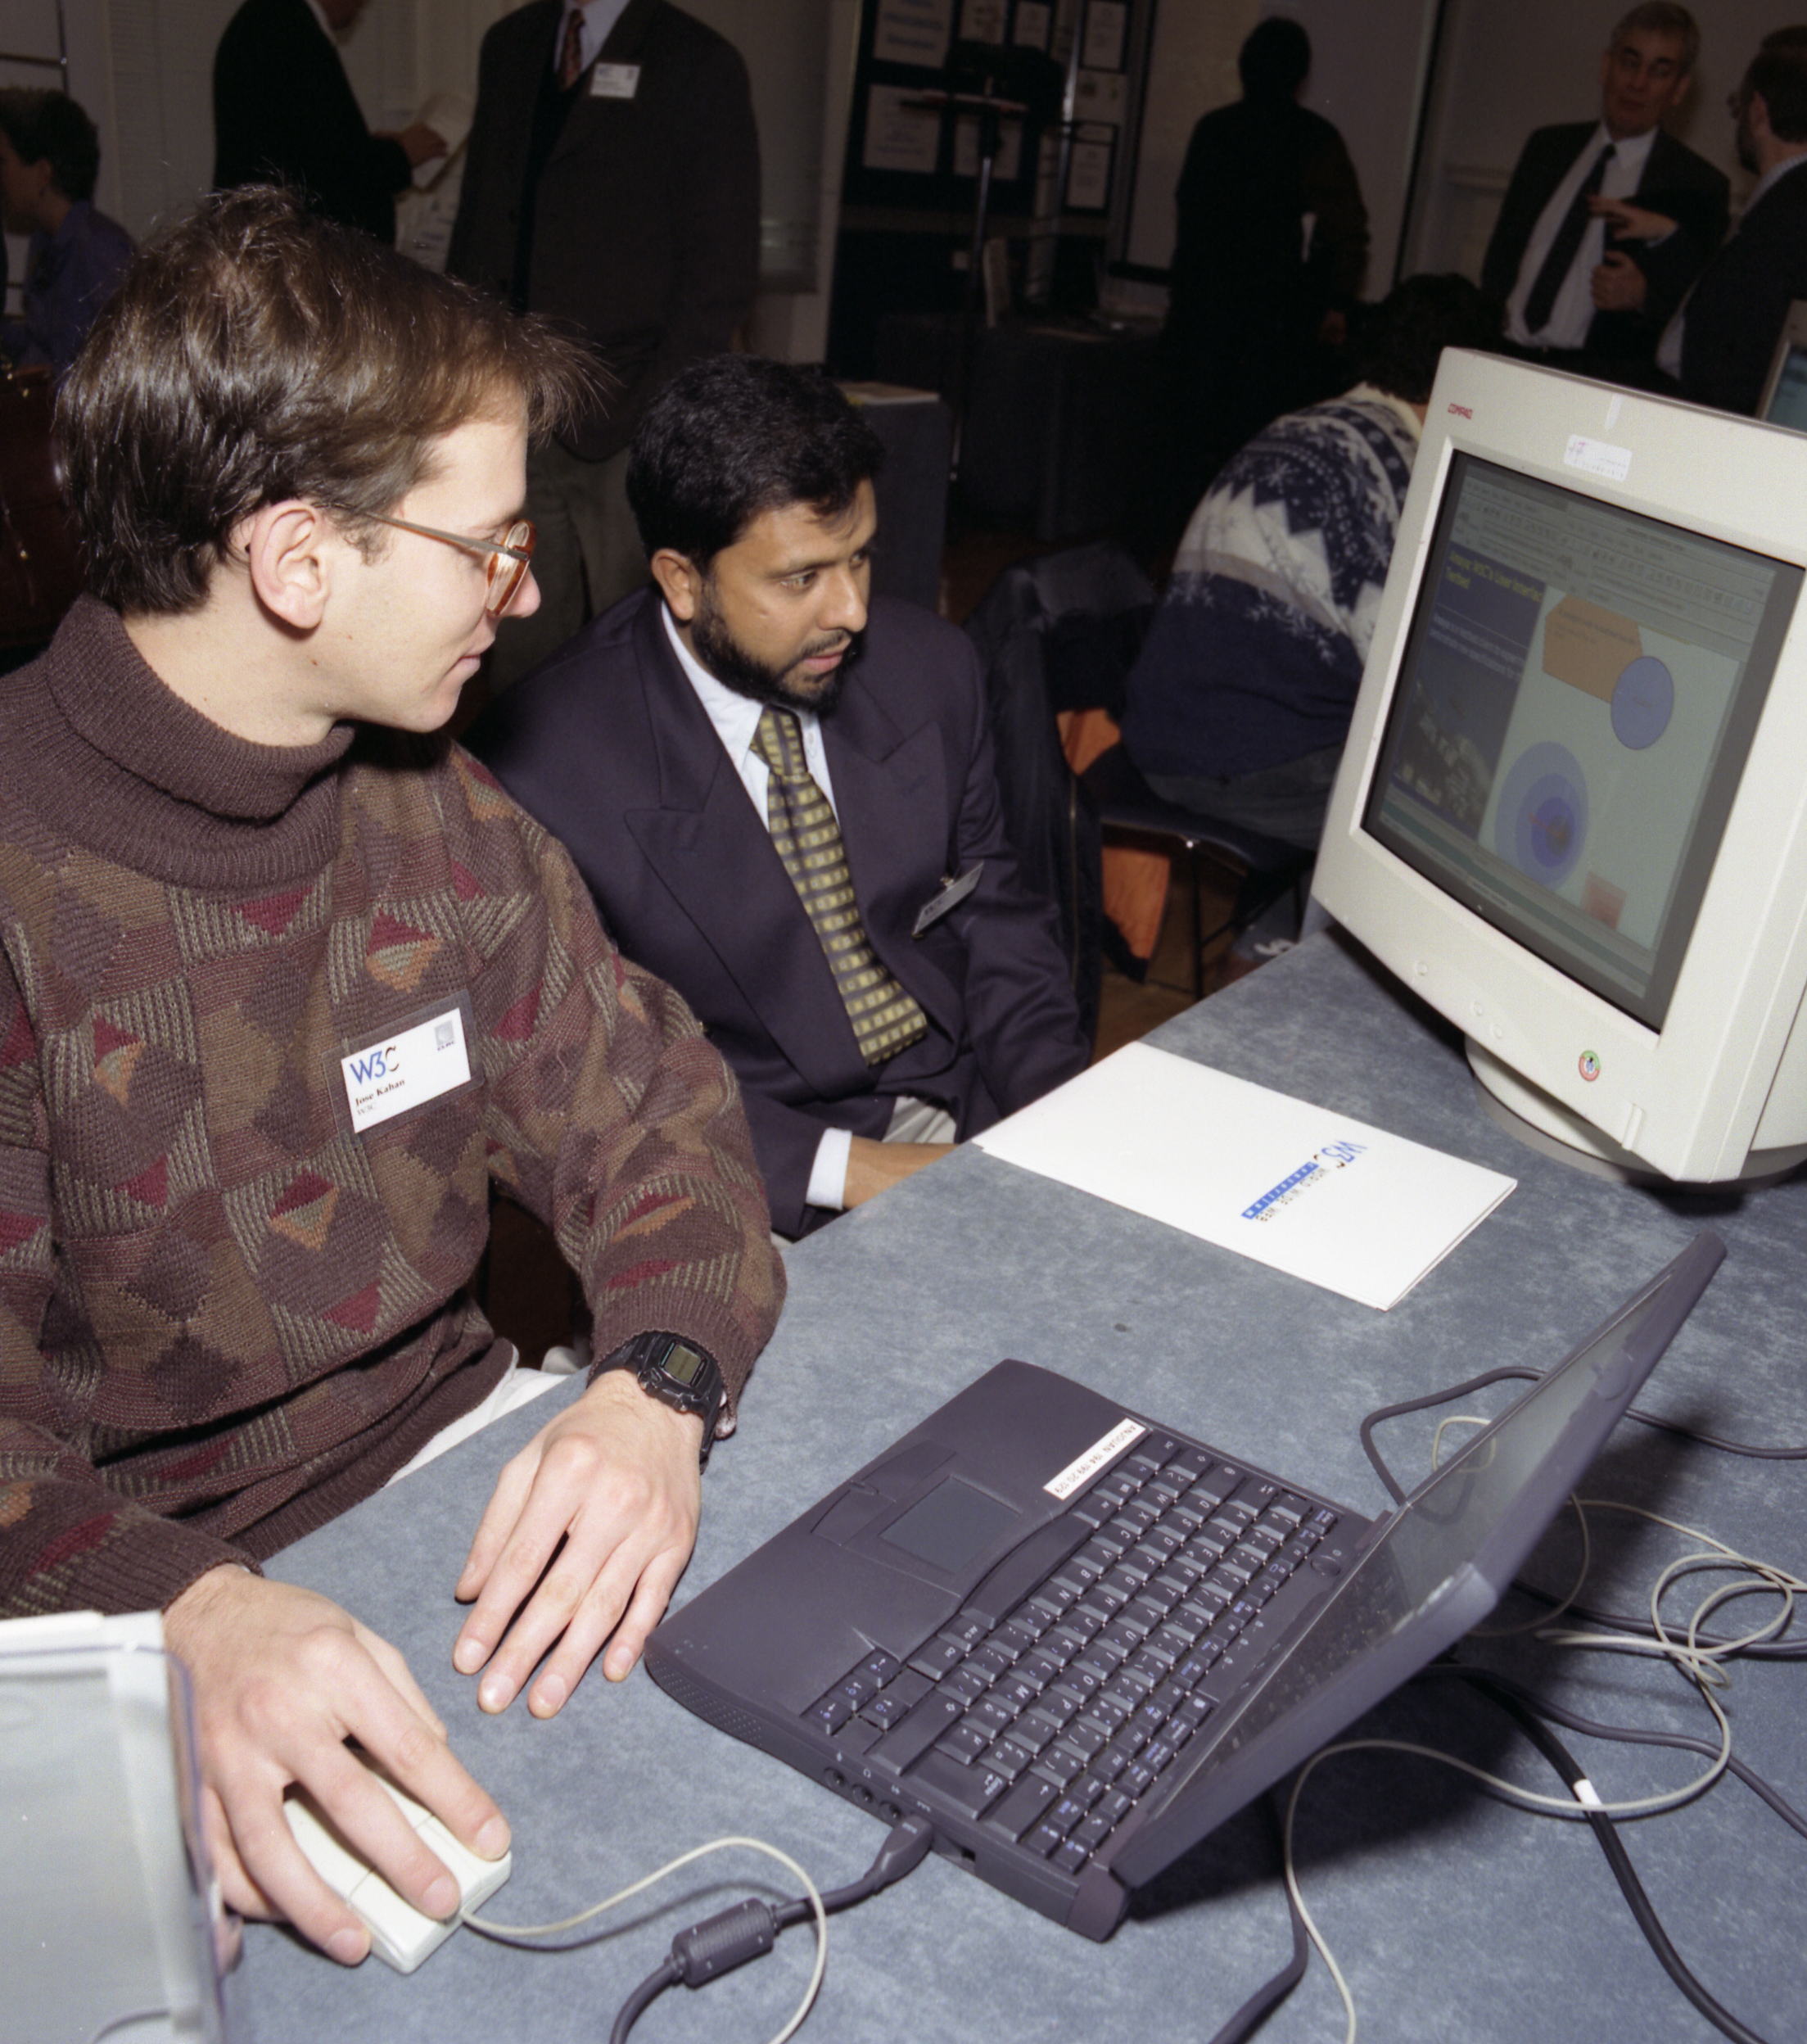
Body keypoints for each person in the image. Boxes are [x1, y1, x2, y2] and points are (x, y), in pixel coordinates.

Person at [0, 188, 784, 1966]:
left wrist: (654, 1387)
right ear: (298, 563)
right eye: (488, 548)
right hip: (142, 1604)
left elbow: (657, 1113)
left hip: (458, 1489)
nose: (526, 594)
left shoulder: (433, 809)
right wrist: (188, 1617)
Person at [468, 355, 1091, 1240]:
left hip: (963, 1096)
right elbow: (596, 1073)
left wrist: (1059, 1115)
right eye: (801, 578)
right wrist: (849, 1170)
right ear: (683, 581)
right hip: (739, 1154)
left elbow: (999, 920)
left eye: (859, 558)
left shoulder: (930, 670)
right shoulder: (545, 772)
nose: (852, 611)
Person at [1121, 276, 1502, 855]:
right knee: (1453, 819)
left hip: (1162, 734)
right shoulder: (1396, 469)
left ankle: (1277, 915)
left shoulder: (1299, 427)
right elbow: (1405, 677)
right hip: (1242, 765)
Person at [448, 0, 761, 689]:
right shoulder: (510, 43)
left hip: (629, 411)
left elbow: (721, 270)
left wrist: (659, 410)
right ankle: (533, 764)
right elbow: (480, 218)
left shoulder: (696, 61)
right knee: (522, 649)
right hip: (508, 401)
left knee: (642, 653)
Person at [1159, 17, 1369, 517]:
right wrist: (1338, 303)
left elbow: (1189, 216)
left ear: (1244, 66)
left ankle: (1170, 536)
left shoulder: (1213, 129)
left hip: (1203, 308)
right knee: (1252, 444)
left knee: (1186, 439)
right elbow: (1347, 228)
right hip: (1272, 320)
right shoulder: (1314, 137)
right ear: (1301, 76)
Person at [1480, 3, 1725, 383]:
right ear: (1606, 66)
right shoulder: (1548, 149)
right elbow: (1500, 260)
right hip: (1503, 357)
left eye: (1659, 72)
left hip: (1593, 382)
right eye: (1630, 63)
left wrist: (1644, 298)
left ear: (1679, 89)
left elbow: (1703, 319)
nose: (1638, 84)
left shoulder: (1695, 184)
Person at [1659, 30, 1807, 415]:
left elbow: (1735, 356)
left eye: (1736, 106)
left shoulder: (1783, 215)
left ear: (1757, 111)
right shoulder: (1783, 204)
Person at [213, 0, 445, 242]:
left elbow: (306, 143)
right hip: (287, 245)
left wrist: (369, 148)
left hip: (267, 235)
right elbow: (325, 170)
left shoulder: (273, 21)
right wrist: (400, 155)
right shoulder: (291, 32)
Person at [0, 88, 133, 384]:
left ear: (42, 172)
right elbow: (45, 345)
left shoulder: (100, 247)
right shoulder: (45, 243)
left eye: (3, 162)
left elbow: (127, 359)